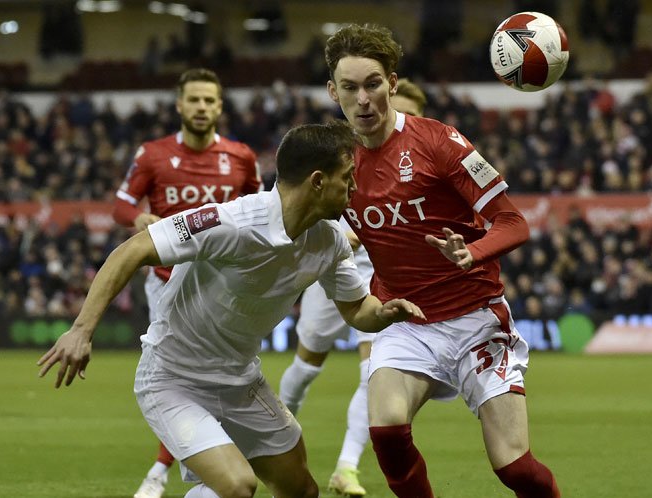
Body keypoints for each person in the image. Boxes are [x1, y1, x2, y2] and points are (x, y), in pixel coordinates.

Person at [38, 121, 426, 498]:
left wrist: (388, 311)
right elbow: (133, 249)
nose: (355, 186)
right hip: (174, 380)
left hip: (242, 382)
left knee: (302, 489)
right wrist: (81, 330)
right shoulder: (231, 222)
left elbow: (358, 310)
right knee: (237, 486)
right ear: (318, 181)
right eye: (348, 176)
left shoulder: (327, 243)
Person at [324, 23, 560, 497]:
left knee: (515, 469)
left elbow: (514, 223)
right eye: (349, 88)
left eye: (373, 84)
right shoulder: (334, 160)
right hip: (405, 321)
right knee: (387, 431)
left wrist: (469, 253)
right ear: (333, 91)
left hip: (476, 318)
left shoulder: (441, 142)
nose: (363, 99)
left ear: (392, 82)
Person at [112, 68, 263, 498]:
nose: (201, 107)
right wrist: (139, 217)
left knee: (206, 374)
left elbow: (258, 204)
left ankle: (185, 467)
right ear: (179, 105)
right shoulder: (153, 155)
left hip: (224, 282)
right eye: (193, 100)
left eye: (208, 101)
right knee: (180, 375)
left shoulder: (240, 157)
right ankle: (170, 469)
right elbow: (122, 204)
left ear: (220, 106)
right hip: (166, 280)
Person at [276, 77, 427, 497]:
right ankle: (267, 437)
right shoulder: (346, 151)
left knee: (372, 372)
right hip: (331, 267)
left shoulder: (421, 163)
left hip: (380, 278)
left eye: (415, 116)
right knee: (306, 367)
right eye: (404, 112)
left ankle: (347, 468)